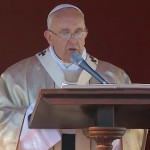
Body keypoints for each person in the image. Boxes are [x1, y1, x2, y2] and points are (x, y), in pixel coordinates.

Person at [0, 3, 147, 150]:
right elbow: (3, 123)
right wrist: (35, 116)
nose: (73, 40)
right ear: (49, 37)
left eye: (78, 32)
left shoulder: (113, 76)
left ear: (86, 34)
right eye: (65, 33)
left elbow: (135, 122)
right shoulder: (17, 78)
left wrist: (108, 124)